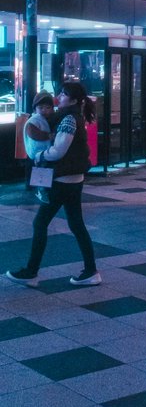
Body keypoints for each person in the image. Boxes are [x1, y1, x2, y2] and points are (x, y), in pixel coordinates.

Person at [5, 81, 101, 287]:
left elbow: (59, 150)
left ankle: (31, 272)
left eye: (64, 93)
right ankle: (91, 271)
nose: (59, 96)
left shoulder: (68, 119)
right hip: (72, 180)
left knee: (40, 223)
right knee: (76, 224)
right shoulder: (69, 116)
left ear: (73, 99)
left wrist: (40, 155)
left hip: (62, 180)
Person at [24, 91, 55, 204]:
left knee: (43, 169)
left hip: (45, 151)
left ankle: (42, 187)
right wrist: (47, 136)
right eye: (40, 107)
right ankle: (41, 189)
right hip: (37, 151)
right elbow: (33, 133)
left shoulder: (50, 119)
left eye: (47, 107)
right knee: (41, 169)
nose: (44, 110)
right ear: (35, 109)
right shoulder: (34, 120)